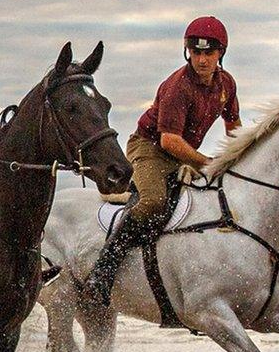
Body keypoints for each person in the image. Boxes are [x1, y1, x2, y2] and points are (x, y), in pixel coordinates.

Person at [79, 16, 241, 323]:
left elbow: (233, 125)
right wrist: (207, 163)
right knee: (153, 202)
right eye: (196, 52)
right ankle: (104, 271)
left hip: (182, 154)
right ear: (188, 52)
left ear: (220, 53)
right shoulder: (177, 86)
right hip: (150, 148)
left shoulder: (227, 84)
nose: (202, 59)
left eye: (209, 53)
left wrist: (236, 159)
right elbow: (168, 140)